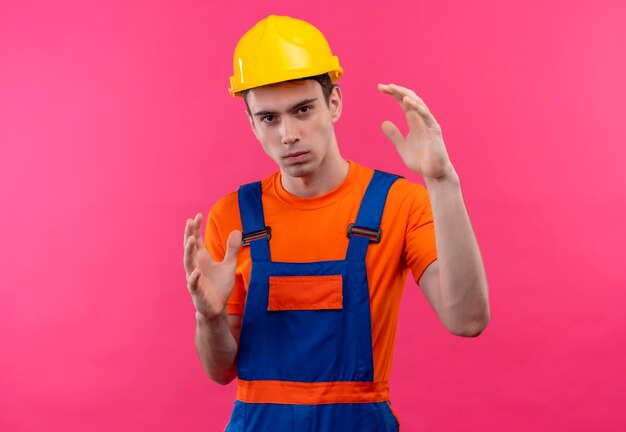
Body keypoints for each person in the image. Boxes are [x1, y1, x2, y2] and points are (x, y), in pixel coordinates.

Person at [183, 15, 489, 431]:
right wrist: (210, 318)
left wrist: (441, 181)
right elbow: (220, 371)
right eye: (269, 118)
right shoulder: (233, 219)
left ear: (334, 104)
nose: (288, 133)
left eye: (303, 109)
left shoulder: (397, 204)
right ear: (252, 123)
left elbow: (467, 319)